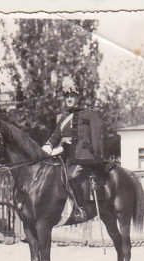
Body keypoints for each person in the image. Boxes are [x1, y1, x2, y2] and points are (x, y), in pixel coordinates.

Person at [42, 76, 105, 223]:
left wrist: (96, 159)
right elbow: (56, 135)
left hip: (81, 157)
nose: (69, 99)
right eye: (67, 97)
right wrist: (48, 146)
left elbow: (93, 138)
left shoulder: (87, 114)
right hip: (64, 157)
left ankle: (81, 209)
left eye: (72, 96)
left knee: (71, 176)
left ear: (77, 98)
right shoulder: (62, 117)